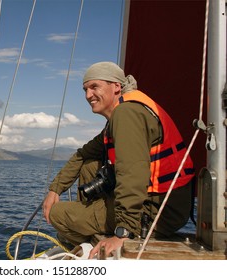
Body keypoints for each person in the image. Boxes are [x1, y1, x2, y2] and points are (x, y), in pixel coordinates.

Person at [42, 61, 195, 259]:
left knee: (57, 215)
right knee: (90, 166)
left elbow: (131, 174)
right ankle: (92, 230)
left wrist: (124, 233)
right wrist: (56, 188)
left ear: (116, 87)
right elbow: (83, 154)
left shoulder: (126, 114)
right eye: (85, 89)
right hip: (155, 202)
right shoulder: (121, 114)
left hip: (157, 212)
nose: (88, 95)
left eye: (95, 87)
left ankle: (90, 244)